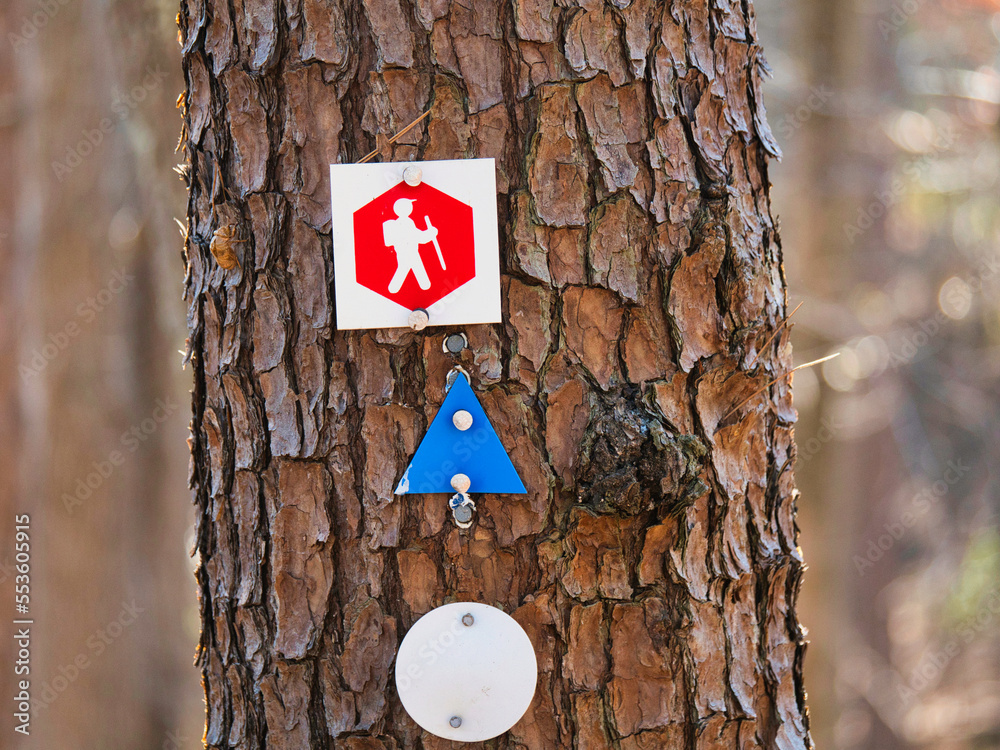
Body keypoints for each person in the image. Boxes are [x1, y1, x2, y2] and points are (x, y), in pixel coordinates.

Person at [383, 198, 438, 293]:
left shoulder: (407, 221)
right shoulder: (405, 223)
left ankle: (425, 287)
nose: (411, 207)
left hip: (409, 251)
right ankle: (393, 289)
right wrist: (431, 233)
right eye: (409, 206)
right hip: (407, 251)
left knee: (414, 268)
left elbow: (417, 235)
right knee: (405, 268)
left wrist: (430, 233)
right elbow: (418, 237)